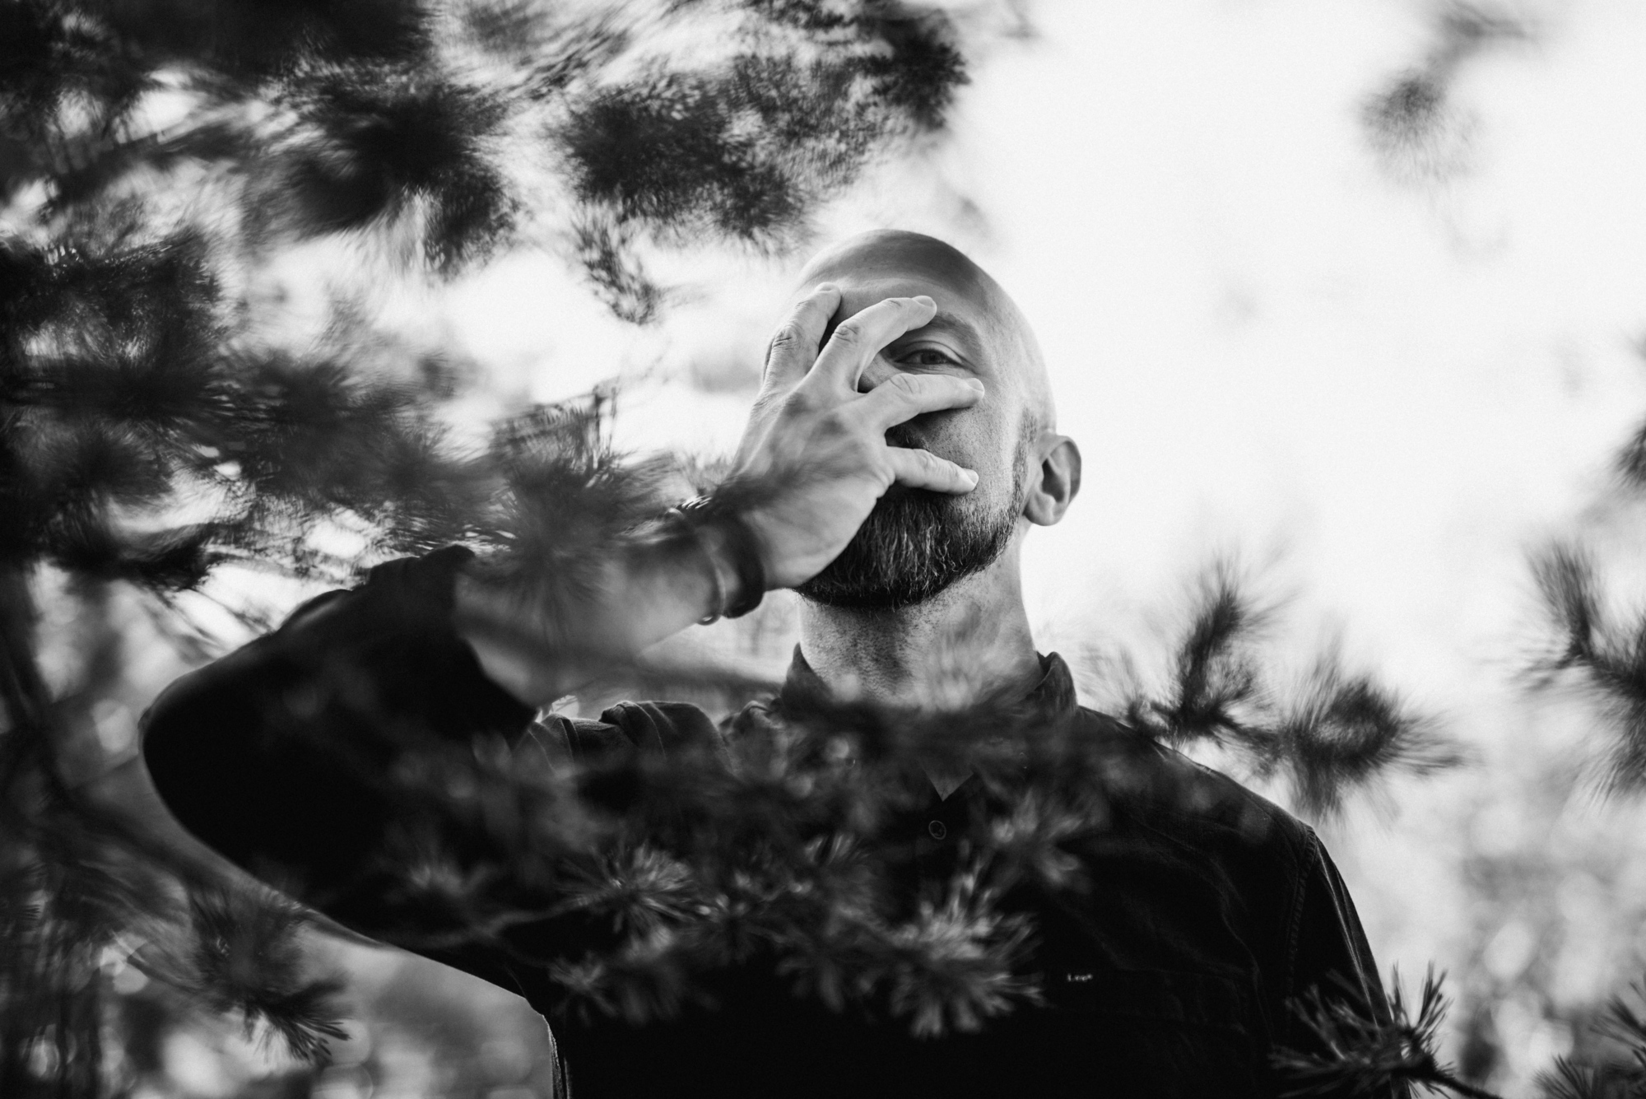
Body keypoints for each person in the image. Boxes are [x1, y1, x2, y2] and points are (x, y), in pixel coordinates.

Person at [141, 231, 1391, 1098]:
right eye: (807, 366)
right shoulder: (629, 818)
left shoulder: (1244, 871)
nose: (856, 391)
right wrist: (722, 542)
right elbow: (239, 750)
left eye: (922, 353)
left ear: (1045, 478)